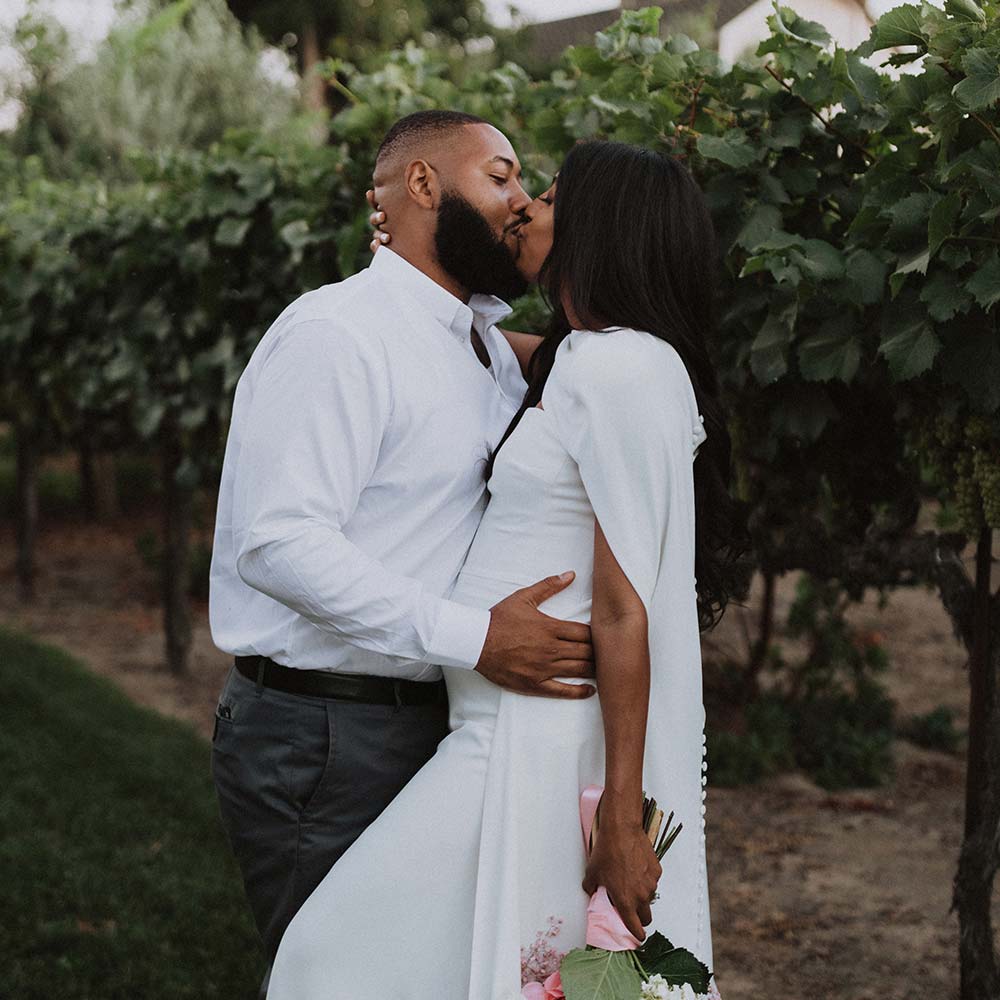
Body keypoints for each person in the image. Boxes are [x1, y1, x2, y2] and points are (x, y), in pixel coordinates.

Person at [265, 139, 743, 999]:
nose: (523, 205)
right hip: (496, 727)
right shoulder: (573, 360)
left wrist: (624, 815)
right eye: (517, 186)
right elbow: (457, 335)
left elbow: (628, 609)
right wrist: (406, 252)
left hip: (533, 739)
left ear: (600, 229)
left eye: (549, 196)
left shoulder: (625, 367)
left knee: (322, 961)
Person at [208, 110, 601, 999]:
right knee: (334, 978)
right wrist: (477, 638)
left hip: (429, 728)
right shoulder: (339, 335)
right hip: (322, 737)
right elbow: (279, 544)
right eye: (501, 175)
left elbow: (592, 366)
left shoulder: (480, 345)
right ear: (423, 185)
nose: (519, 200)